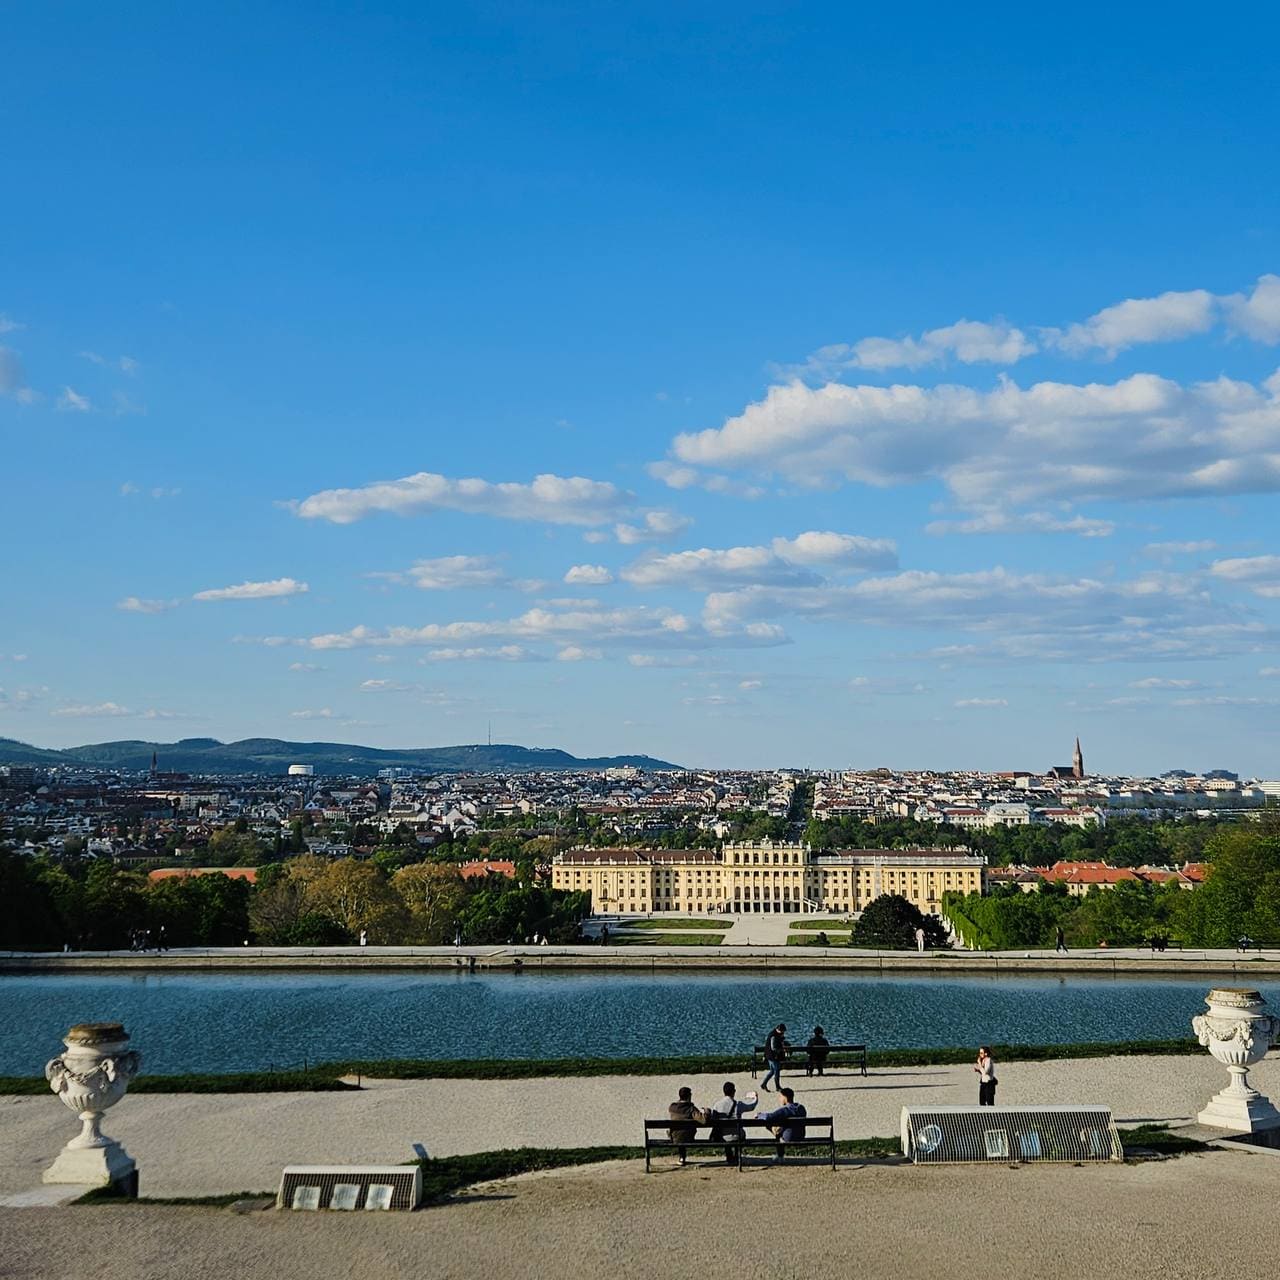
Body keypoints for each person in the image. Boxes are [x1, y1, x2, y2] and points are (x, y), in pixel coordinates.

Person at [708, 1081, 757, 1164]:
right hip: (738, 1135)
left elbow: (714, 1120)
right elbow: (751, 1107)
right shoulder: (738, 1104)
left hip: (724, 1137)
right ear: (734, 1091)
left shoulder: (717, 1105)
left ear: (724, 1092)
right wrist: (756, 1098)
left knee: (726, 1133)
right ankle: (736, 1157)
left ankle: (729, 1157)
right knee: (739, 1133)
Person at [758, 1087, 807, 1164]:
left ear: (785, 1097)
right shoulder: (801, 1108)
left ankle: (780, 1155)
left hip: (789, 1138)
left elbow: (769, 1117)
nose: (779, 1099)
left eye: (780, 1097)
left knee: (775, 1129)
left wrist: (759, 1115)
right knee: (781, 1128)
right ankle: (778, 1132)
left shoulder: (785, 1110)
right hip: (801, 1136)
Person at [667, 1086, 709, 1166]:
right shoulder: (691, 1109)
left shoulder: (672, 1107)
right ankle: (682, 1157)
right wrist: (707, 1112)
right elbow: (703, 1120)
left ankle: (681, 1157)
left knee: (679, 1133)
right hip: (688, 1138)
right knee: (684, 1133)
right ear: (689, 1096)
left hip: (674, 1137)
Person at [761, 1023, 788, 1092]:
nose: (783, 1032)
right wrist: (781, 1049)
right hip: (773, 1056)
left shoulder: (773, 1034)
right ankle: (777, 1087)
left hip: (770, 1056)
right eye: (782, 1031)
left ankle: (764, 1084)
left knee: (772, 1071)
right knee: (776, 1071)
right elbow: (773, 1048)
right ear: (779, 1030)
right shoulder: (774, 1036)